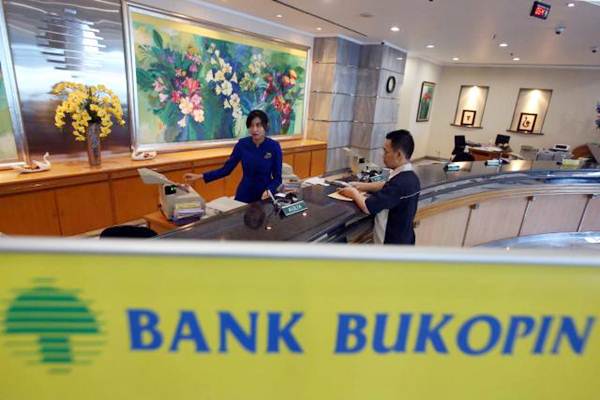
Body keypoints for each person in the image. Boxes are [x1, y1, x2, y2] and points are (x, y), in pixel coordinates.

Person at [339, 130, 420, 245]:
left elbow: (368, 207)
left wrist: (353, 193)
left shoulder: (399, 184)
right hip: (406, 240)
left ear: (398, 155)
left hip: (390, 246)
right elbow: (386, 185)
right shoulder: (411, 177)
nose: (383, 155)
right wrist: (362, 186)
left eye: (386, 151)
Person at [184, 110, 282, 203]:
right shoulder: (242, 144)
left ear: (266, 126)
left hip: (265, 194)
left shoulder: (274, 146)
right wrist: (201, 176)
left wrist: (269, 190)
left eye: (258, 125)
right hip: (245, 193)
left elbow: (277, 178)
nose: (254, 129)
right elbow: (226, 170)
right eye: (251, 126)